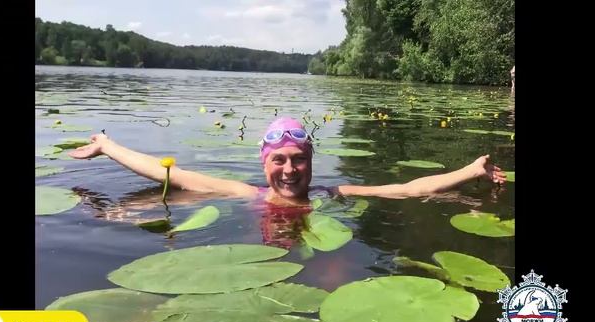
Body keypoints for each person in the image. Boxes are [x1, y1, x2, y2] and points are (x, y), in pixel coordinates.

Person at [69, 117, 506, 207]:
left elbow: (407, 189)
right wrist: (108, 145)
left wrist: (470, 171)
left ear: (311, 163)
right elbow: (171, 174)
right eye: (279, 159)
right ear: (265, 164)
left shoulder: (333, 193)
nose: (290, 169)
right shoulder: (246, 193)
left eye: (298, 159)